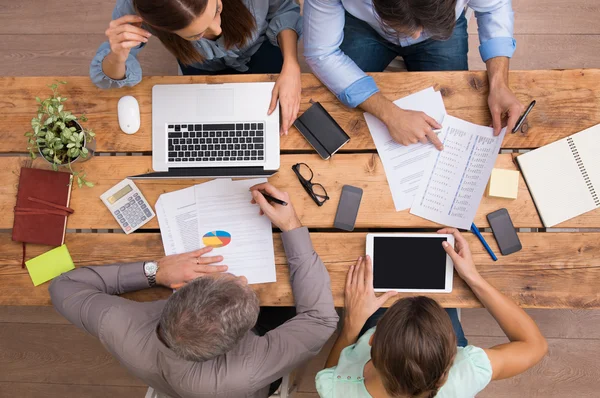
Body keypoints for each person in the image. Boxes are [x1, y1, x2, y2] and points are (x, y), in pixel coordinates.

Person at [49, 182, 339, 398]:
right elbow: (321, 320)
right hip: (248, 388)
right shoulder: (249, 368)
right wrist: (291, 225)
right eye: (243, 286)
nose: (241, 280)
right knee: (286, 308)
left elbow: (63, 286)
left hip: (167, 375)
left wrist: (155, 272)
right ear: (238, 341)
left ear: (180, 294)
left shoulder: (115, 323)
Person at [316, 228, 548, 397]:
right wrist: (473, 278)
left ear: (373, 340)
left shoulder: (335, 389)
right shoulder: (466, 371)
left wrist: (350, 328)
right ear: (451, 361)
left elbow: (331, 372)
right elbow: (534, 345)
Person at [303, 0, 525, 148]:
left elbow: (494, 8)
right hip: (364, 25)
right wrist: (389, 113)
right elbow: (321, 53)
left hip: (442, 25)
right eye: (408, 27)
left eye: (421, 28)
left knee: (452, 116)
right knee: (337, 112)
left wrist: (499, 84)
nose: (416, 35)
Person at [91, 0, 302, 134]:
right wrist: (117, 56)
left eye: (217, 9)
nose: (218, 29)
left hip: (261, 49)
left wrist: (291, 64)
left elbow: (283, 10)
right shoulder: (138, 9)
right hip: (201, 66)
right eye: (196, 35)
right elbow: (108, 77)